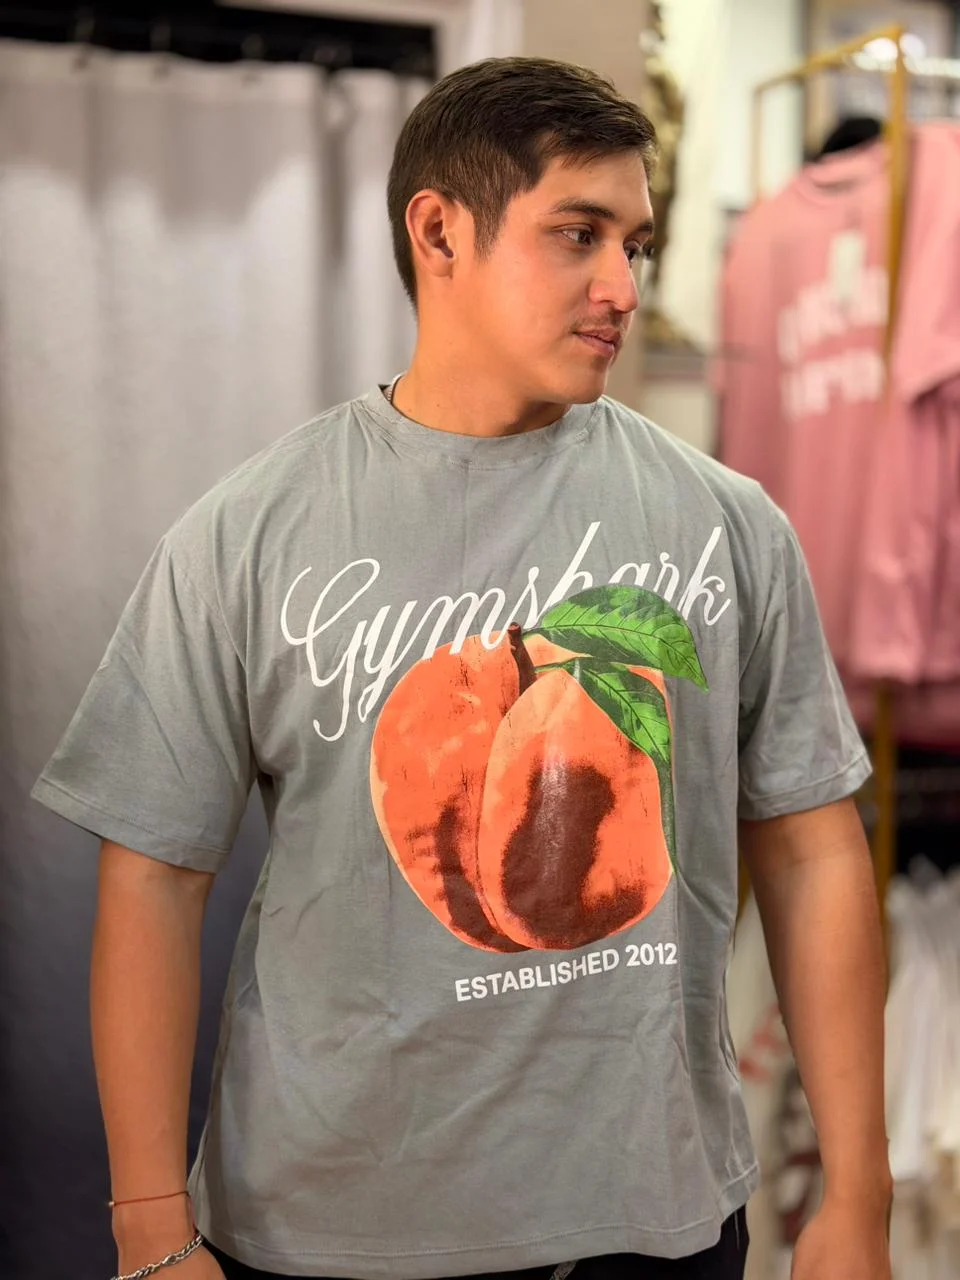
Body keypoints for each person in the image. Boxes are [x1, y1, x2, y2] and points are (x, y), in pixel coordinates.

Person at [32, 56, 892, 1280]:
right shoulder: (249, 535)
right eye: (578, 234)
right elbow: (155, 879)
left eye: (636, 244)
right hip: (326, 1230)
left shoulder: (727, 524)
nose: (622, 286)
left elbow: (812, 851)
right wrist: (149, 1226)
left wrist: (859, 1192)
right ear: (438, 232)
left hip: (659, 1219)